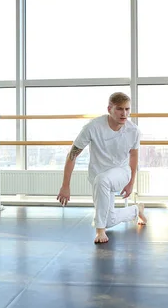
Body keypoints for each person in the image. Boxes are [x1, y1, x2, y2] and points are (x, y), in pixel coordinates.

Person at [57, 92, 147, 243]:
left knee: (103, 180)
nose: (124, 113)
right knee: (109, 219)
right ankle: (137, 210)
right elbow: (72, 155)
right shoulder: (92, 127)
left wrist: (131, 183)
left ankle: (100, 231)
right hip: (97, 175)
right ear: (109, 109)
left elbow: (133, 156)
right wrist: (65, 185)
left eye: (127, 109)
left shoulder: (133, 131)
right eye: (119, 109)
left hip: (121, 173)